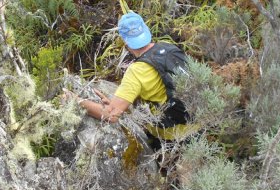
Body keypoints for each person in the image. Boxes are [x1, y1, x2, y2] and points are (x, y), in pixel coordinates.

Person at [70, 11, 195, 142]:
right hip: (199, 120)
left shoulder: (136, 71)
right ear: (145, 29)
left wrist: (75, 101)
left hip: (175, 134)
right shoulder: (168, 47)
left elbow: (111, 115)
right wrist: (116, 102)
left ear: (125, 41)